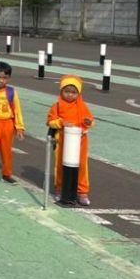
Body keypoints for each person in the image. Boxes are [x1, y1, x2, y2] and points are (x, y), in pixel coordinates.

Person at [47, 75, 94, 206]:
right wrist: (61, 122)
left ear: (78, 93)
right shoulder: (56, 106)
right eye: (66, 91)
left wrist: (88, 122)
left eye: (73, 92)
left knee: (82, 166)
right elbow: (50, 122)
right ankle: (60, 188)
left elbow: (89, 120)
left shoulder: (82, 106)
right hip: (62, 138)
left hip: (80, 140)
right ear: (61, 91)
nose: (70, 95)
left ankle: (82, 191)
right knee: (61, 165)